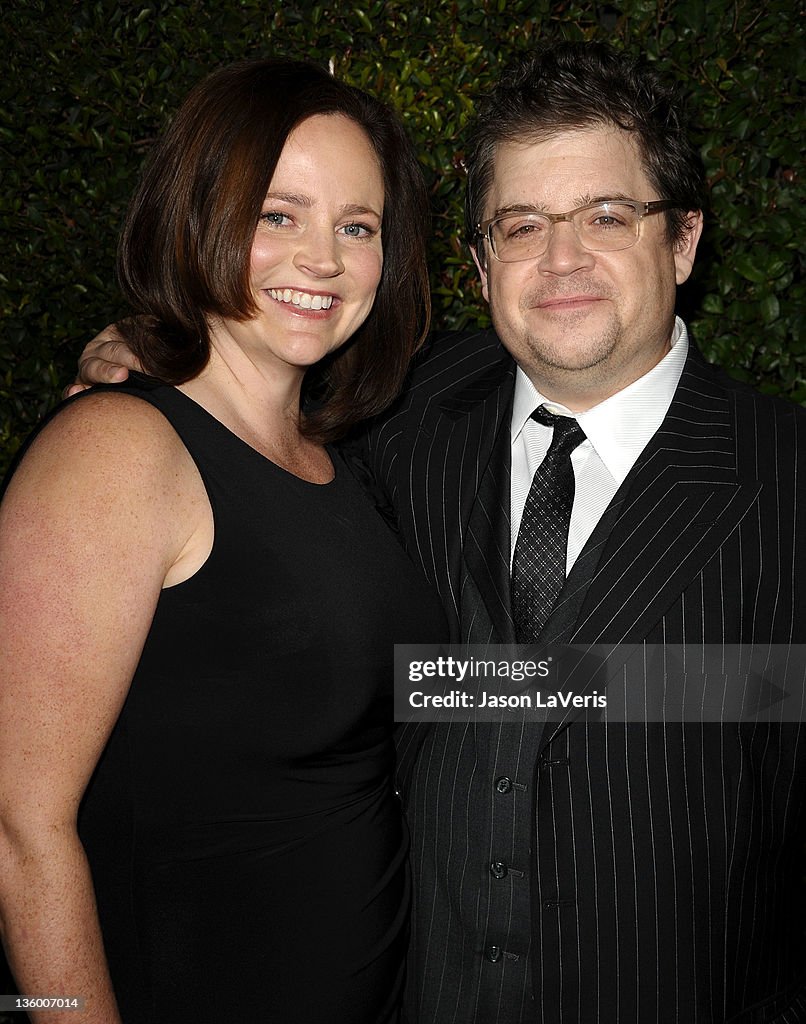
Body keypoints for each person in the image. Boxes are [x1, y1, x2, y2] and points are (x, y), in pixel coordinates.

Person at [67, 42, 806, 1023]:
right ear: (475, 261)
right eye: (520, 225)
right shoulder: (396, 417)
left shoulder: (784, 479)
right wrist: (153, 356)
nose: (561, 260)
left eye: (606, 216)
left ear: (681, 241)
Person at [0, 58, 447, 1024]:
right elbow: (17, 828)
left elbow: (424, 684)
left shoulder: (342, 460)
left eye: (357, 227)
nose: (322, 258)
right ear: (198, 211)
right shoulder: (117, 450)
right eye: (278, 214)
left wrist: (732, 685)